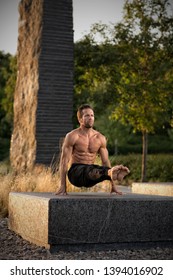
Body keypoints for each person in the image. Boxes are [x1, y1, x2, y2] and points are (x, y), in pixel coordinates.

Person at [55, 104, 130, 195]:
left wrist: (113, 186)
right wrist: (63, 186)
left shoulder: (100, 138)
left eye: (92, 115)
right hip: (76, 174)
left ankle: (113, 173)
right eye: (87, 115)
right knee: (91, 170)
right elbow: (64, 162)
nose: (90, 118)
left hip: (92, 176)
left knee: (101, 170)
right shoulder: (72, 136)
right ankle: (111, 172)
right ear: (80, 119)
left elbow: (105, 162)